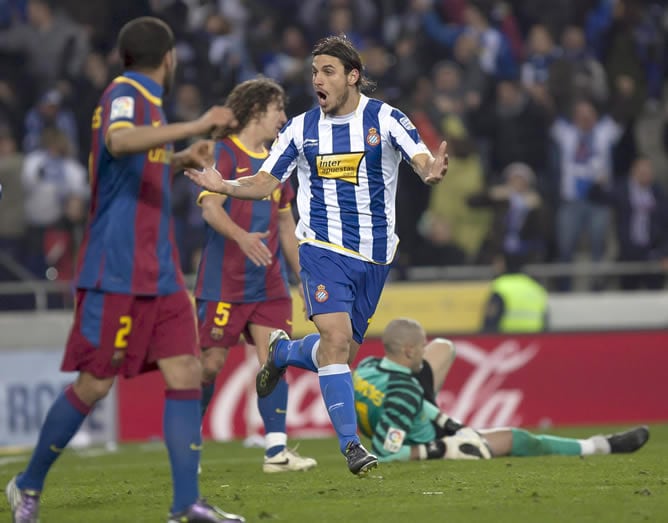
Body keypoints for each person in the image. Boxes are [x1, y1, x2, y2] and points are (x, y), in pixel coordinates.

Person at [4, 16, 245, 523]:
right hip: (116, 268)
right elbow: (118, 141)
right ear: (169, 57)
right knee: (95, 384)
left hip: (158, 270)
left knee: (185, 371)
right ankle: (26, 486)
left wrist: (180, 158)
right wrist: (197, 124)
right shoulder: (125, 91)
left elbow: (133, 160)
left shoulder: (148, 107)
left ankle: (185, 505)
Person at [184, 35, 449, 475]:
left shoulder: (385, 118)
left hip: (375, 257)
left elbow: (420, 158)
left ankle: (284, 353)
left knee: (337, 354)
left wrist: (430, 170)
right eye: (314, 72)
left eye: (327, 71)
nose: (317, 80)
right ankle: (351, 448)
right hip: (322, 250)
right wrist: (226, 186)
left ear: (352, 76)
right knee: (336, 341)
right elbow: (266, 183)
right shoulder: (300, 129)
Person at [193, 78, 317, 473]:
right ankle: (188, 445)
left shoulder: (279, 160)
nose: (284, 117)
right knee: (209, 365)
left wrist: (307, 282)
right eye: (278, 109)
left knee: (274, 361)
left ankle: (276, 452)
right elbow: (210, 209)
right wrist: (242, 236)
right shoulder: (223, 152)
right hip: (223, 282)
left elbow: (286, 229)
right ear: (257, 110)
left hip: (268, 283)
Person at [354, 318, 649, 463]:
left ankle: (602, 445)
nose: (423, 350)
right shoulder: (403, 393)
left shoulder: (368, 367)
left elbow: (411, 402)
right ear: (407, 350)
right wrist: (446, 447)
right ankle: (602, 446)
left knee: (444, 349)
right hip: (429, 439)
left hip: (405, 420)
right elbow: (386, 454)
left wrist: (452, 423)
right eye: (421, 347)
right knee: (522, 440)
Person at [482, 253, 549, 333]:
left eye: (496, 263)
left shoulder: (499, 286)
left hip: (509, 339)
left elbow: (490, 321)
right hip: (535, 340)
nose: (494, 267)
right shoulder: (536, 288)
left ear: (503, 264)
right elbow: (545, 320)